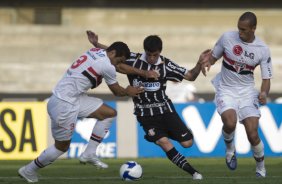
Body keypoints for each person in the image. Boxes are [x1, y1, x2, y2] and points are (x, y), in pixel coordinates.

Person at [18, 37, 159, 182]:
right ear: (112, 53)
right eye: (119, 60)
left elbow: (118, 67)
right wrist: (128, 91)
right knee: (61, 147)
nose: (119, 64)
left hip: (72, 98)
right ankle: (28, 170)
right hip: (64, 104)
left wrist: (143, 73)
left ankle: (89, 153)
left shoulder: (96, 51)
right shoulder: (107, 65)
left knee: (109, 114)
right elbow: (117, 92)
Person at [83, 30, 210, 180]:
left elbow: (190, 76)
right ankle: (194, 172)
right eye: (148, 54)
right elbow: (115, 57)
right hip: (145, 114)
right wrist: (97, 44)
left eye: (154, 55)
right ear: (144, 51)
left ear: (160, 52)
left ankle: (167, 132)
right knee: (163, 142)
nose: (151, 58)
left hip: (165, 109)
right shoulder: (134, 59)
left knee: (187, 143)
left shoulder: (166, 65)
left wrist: (198, 63)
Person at [201, 12, 273, 178]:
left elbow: (266, 78)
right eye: (238, 29)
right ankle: (230, 148)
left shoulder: (262, 50)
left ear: (254, 28)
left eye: (244, 30)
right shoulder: (227, 38)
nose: (239, 33)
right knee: (230, 122)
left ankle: (261, 168)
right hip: (226, 88)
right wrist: (207, 61)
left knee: (252, 133)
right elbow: (213, 57)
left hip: (247, 92)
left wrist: (263, 93)